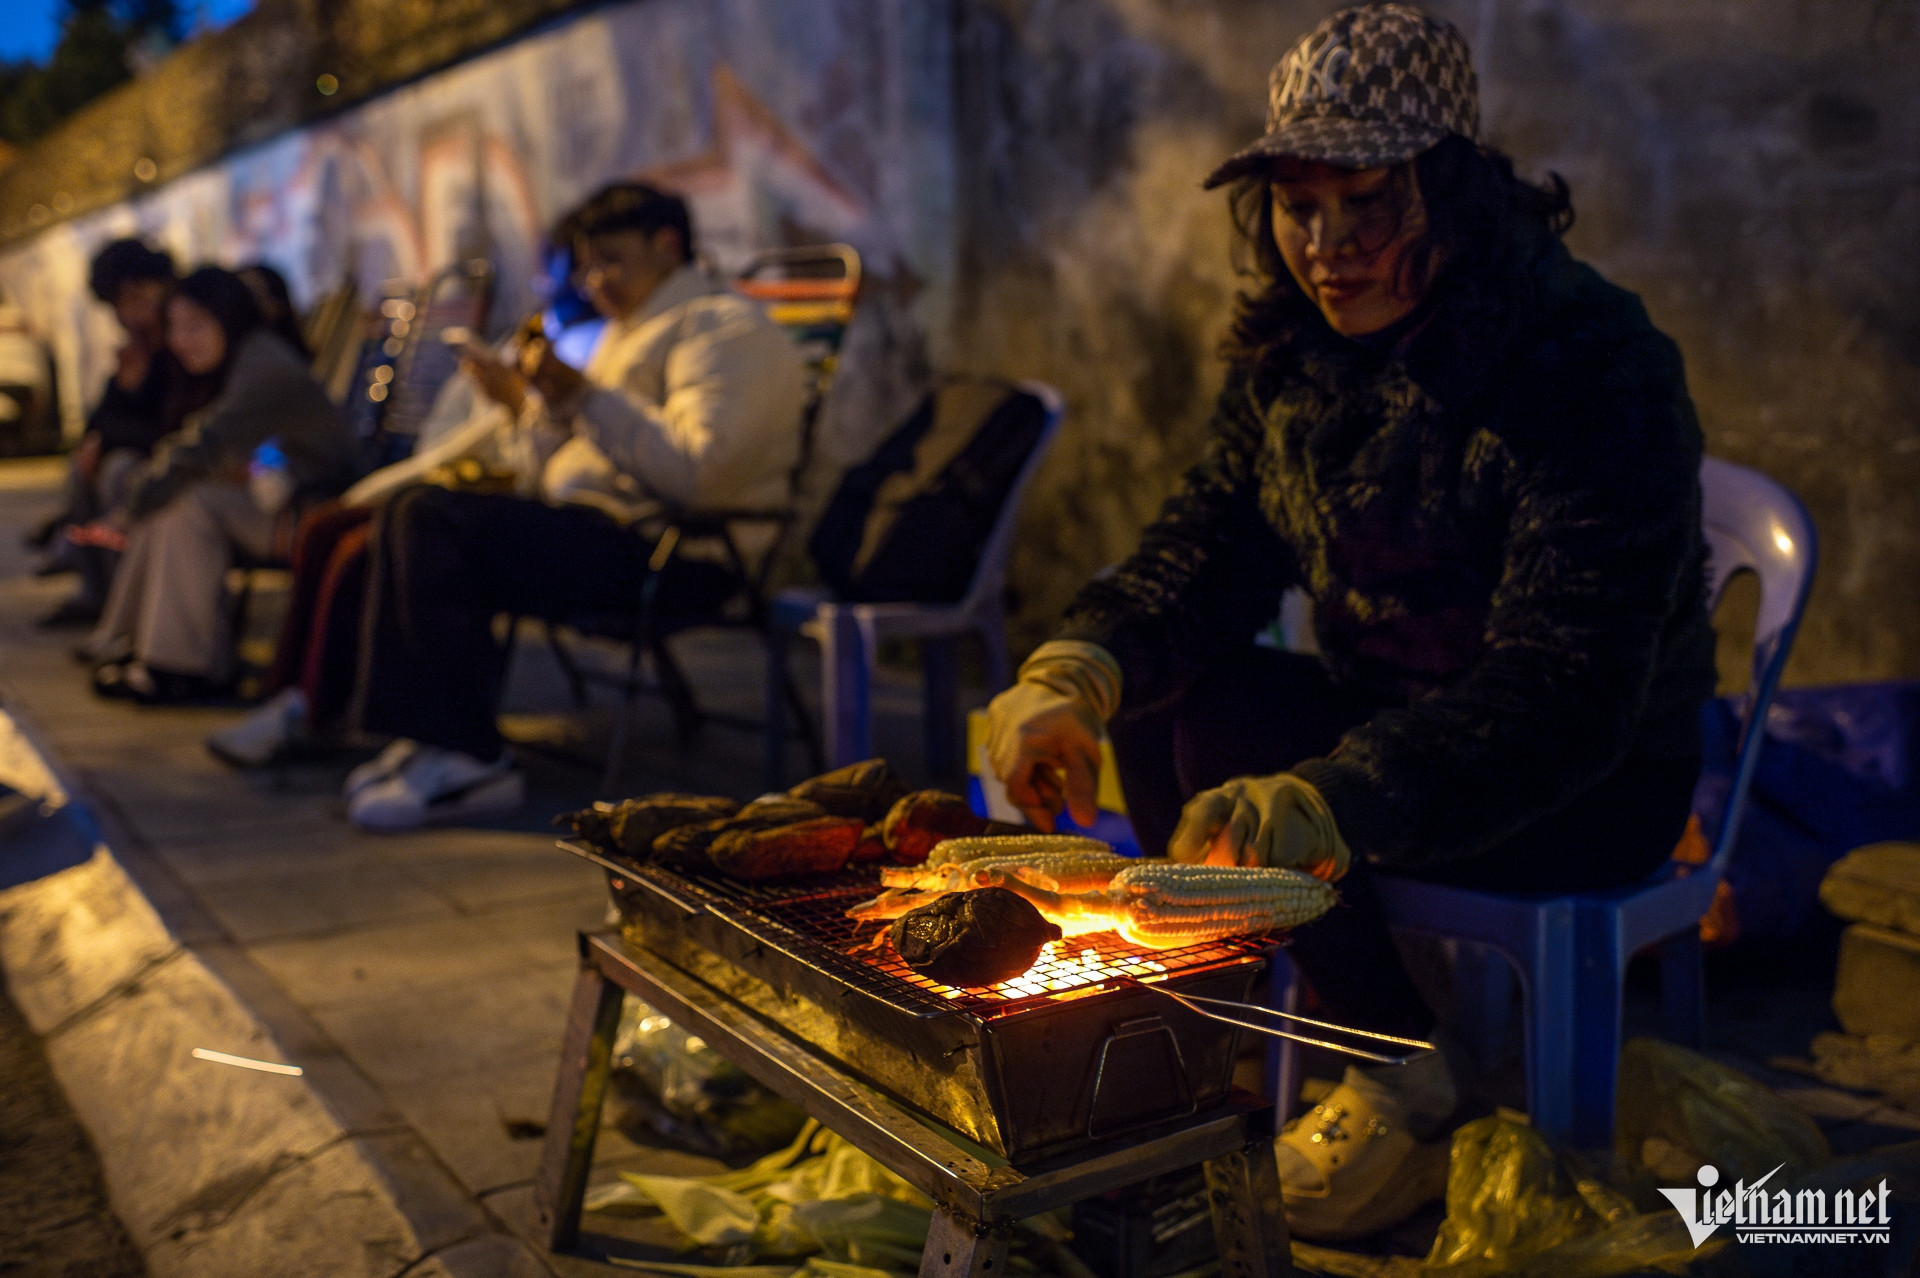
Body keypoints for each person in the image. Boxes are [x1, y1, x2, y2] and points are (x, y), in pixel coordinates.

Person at [985, 3, 1715, 1242]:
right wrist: (1078, 667)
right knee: (1188, 701)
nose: (1326, 247)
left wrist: (1336, 796)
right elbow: (1211, 541)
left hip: (1587, 777)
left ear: (1453, 188)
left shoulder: (1587, 361)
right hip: (1389, 717)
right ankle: (1230, 1027)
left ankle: (1394, 1076)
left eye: (1366, 201)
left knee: (1256, 770)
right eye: (1296, 204)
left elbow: (1567, 687)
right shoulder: (1297, 356)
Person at [342, 183, 810, 829]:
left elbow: (701, 476)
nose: (595, 281)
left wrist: (587, 398)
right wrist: (526, 405)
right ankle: (437, 737)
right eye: (587, 265)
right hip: (603, 536)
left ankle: (466, 756)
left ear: (667, 245)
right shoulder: (623, 336)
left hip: (681, 555)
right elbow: (554, 474)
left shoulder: (723, 329)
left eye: (611, 259)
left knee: (431, 517)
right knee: (417, 505)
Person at [205, 214, 608, 769]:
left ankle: (323, 711)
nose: (585, 282)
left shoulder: (608, 348)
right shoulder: (552, 336)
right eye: (577, 268)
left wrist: (515, 403)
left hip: (533, 504)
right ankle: (295, 698)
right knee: (331, 525)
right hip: (489, 484)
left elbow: (564, 448)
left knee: (375, 540)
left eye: (595, 265)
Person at [82, 266, 356, 702]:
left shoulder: (262, 366)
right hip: (286, 496)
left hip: (317, 511)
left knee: (186, 504)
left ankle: (182, 667)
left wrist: (129, 507)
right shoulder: (248, 358)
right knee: (179, 499)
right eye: (175, 327)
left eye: (195, 326)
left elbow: (202, 445)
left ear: (228, 318)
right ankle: (138, 646)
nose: (180, 340)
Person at [34, 239, 194, 628]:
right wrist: (121, 393)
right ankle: (99, 592)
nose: (129, 313)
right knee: (86, 466)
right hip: (159, 449)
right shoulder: (142, 347)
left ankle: (129, 602)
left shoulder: (184, 336)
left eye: (137, 297)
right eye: (120, 305)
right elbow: (103, 422)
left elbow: (179, 426)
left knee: (118, 472)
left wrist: (108, 435)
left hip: (186, 455)